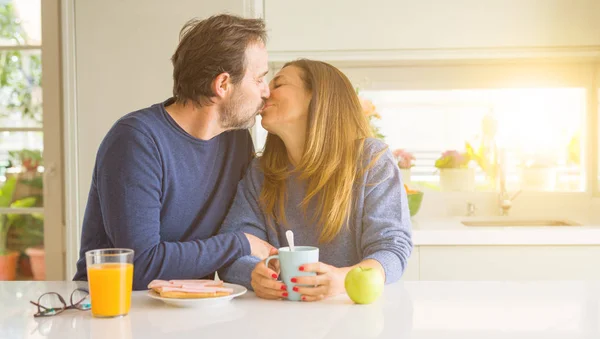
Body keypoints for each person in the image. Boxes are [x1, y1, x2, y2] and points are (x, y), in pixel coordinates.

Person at [73, 14, 275, 290]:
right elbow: (141, 267)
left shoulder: (237, 143)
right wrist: (241, 243)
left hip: (191, 304)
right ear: (223, 84)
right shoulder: (136, 141)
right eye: (260, 79)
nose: (267, 92)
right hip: (118, 305)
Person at [219, 59, 413, 301]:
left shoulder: (371, 160)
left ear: (316, 96)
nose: (266, 92)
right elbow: (233, 249)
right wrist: (253, 273)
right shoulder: (260, 172)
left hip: (351, 314)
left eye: (278, 84)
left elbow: (392, 249)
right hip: (279, 318)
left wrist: (344, 279)